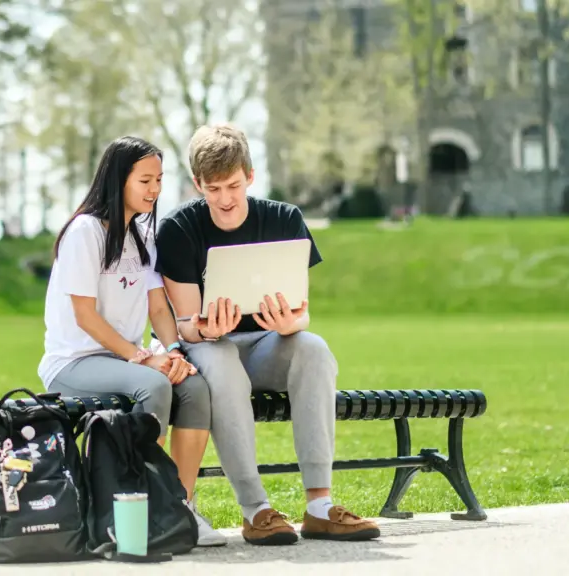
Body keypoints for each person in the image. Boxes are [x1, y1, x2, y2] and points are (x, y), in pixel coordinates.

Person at [155, 124, 381, 546]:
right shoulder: (178, 229)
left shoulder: (284, 218)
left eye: (234, 186)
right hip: (210, 347)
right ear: (197, 184)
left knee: (313, 350)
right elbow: (184, 322)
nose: (225, 199)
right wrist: (205, 329)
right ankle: (256, 509)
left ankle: (319, 505)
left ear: (251, 176)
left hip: (264, 344)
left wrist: (287, 324)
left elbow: (302, 316)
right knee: (221, 362)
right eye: (214, 189)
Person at [39, 136, 226, 547]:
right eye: (145, 180)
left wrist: (174, 351)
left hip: (124, 361)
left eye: (159, 179)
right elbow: (84, 316)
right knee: (154, 384)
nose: (154, 190)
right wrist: (142, 359)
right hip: (74, 362)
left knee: (193, 386)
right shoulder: (84, 232)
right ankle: (141, 509)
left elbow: (159, 309)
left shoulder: (140, 235)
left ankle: (181, 507)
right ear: (118, 179)